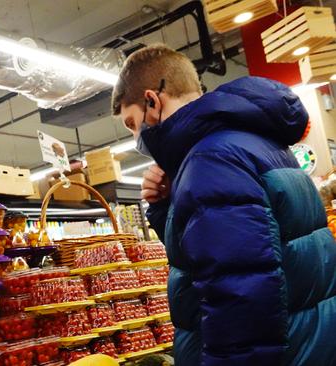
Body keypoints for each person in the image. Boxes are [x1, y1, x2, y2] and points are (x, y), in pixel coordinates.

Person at [111, 43, 336, 365]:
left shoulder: (211, 160)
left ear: (152, 100)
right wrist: (167, 206)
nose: (137, 140)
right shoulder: (253, 142)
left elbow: (241, 298)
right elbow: (224, 257)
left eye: (133, 124)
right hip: (310, 343)